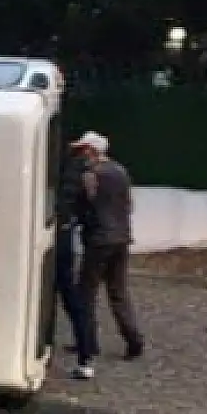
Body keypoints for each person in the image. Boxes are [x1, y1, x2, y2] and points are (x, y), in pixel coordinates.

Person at [70, 129, 146, 381]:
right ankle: (133, 339)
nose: (80, 154)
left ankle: (87, 341)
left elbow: (84, 205)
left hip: (98, 240)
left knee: (86, 292)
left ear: (91, 151)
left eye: (82, 150)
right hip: (121, 237)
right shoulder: (121, 171)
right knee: (118, 291)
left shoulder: (90, 175)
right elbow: (130, 205)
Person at [52, 138, 92, 358]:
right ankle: (85, 352)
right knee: (72, 295)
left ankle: (85, 348)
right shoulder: (85, 173)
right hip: (67, 233)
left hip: (59, 235)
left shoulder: (68, 172)